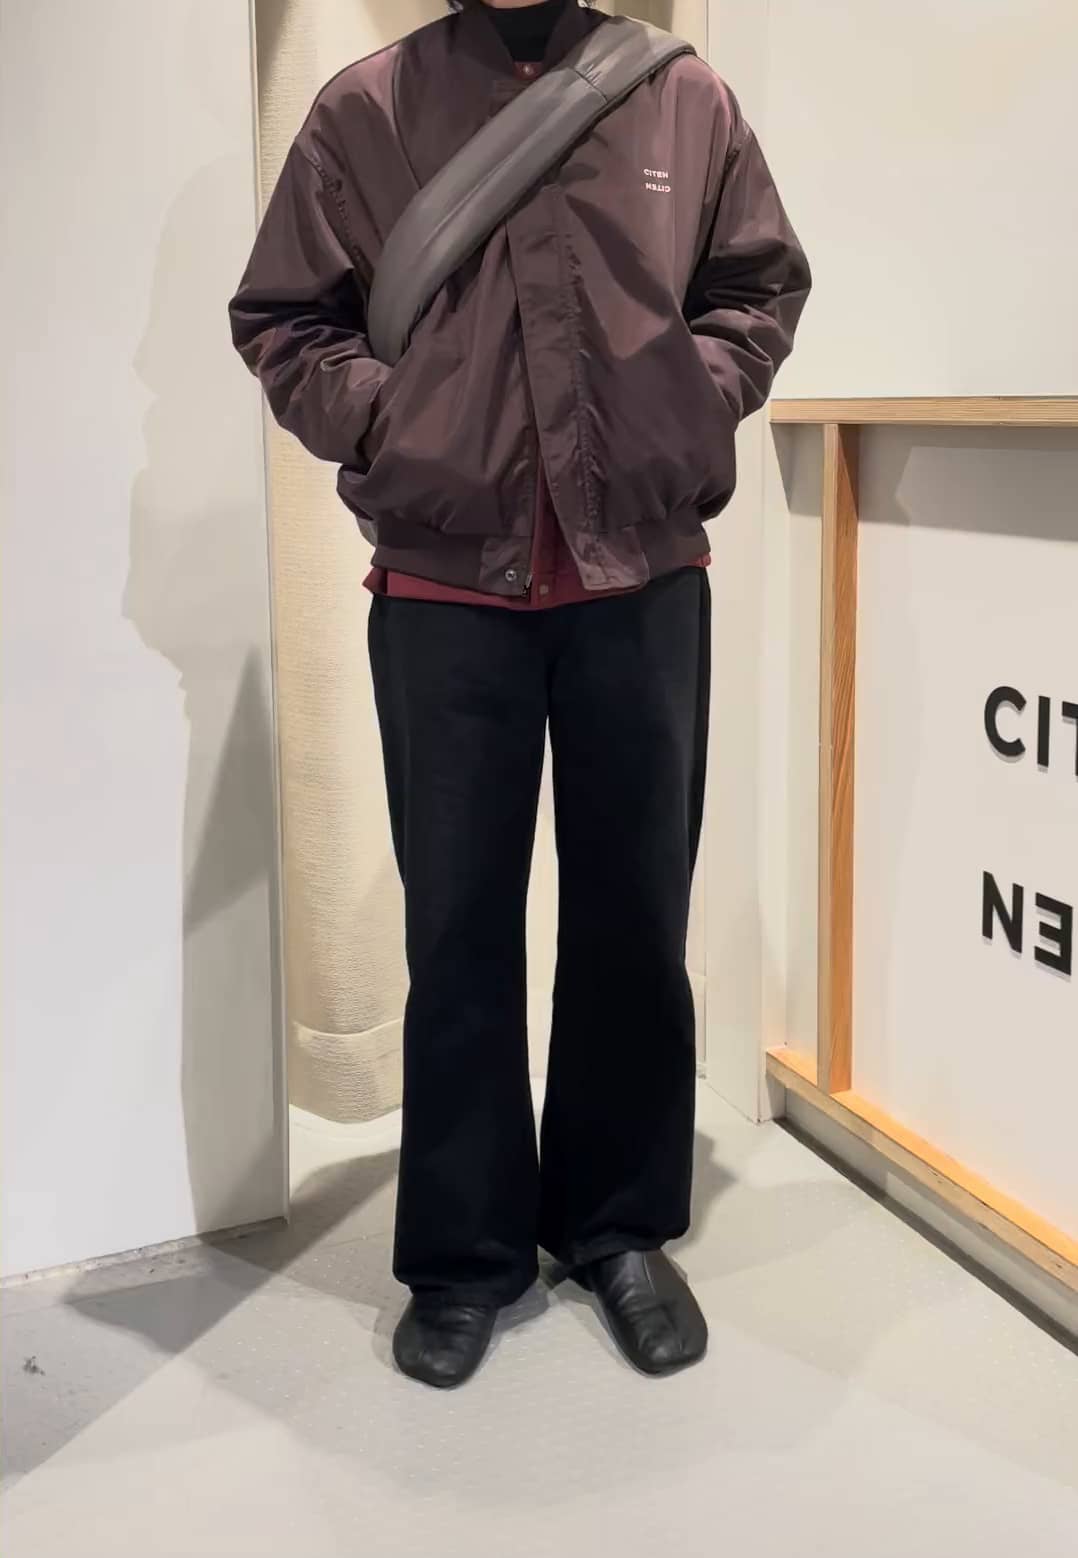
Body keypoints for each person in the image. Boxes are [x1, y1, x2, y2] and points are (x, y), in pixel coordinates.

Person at [229, 0, 810, 1390]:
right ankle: (464, 1254)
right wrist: (395, 425)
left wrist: (684, 402)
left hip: (642, 581)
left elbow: (758, 287)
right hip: (445, 590)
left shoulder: (683, 100)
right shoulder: (366, 108)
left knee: (634, 917)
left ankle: (616, 1227)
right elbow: (284, 318)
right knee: (459, 930)